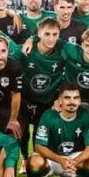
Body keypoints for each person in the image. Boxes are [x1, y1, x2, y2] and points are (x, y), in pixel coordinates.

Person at [26, 83, 89, 177]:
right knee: (34, 161)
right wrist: (60, 160)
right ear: (59, 100)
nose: (72, 101)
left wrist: (75, 161)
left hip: (73, 159)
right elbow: (39, 146)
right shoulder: (48, 115)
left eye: (76, 98)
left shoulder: (86, 117)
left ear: (80, 100)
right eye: (67, 98)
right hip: (52, 157)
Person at [19, 17, 65, 154]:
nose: (51, 38)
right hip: (25, 99)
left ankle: (36, 161)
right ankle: (24, 161)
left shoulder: (62, 50)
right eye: (47, 34)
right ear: (39, 33)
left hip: (46, 101)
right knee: (21, 133)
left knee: (40, 135)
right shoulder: (26, 50)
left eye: (55, 34)